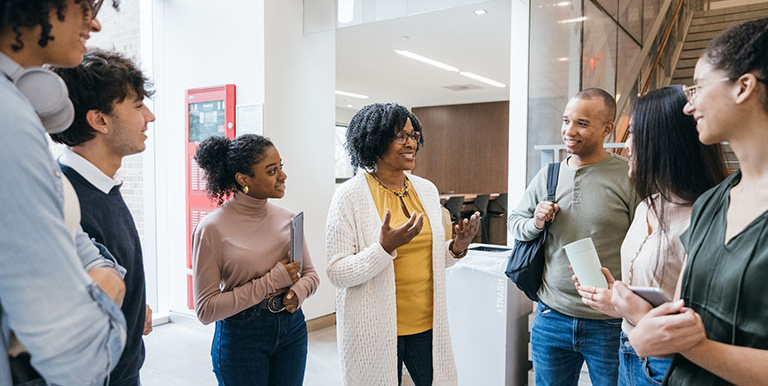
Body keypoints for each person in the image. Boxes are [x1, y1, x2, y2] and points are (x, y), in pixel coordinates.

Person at [625, 0, 768, 385]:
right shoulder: (711, 202)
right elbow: (683, 315)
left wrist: (664, 339)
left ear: (744, 87)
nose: (689, 106)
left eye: (697, 88)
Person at [0, 0, 130, 385]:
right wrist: (104, 302)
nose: (94, 23)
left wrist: (101, 270)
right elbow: (70, 346)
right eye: (86, 3)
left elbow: (66, 235)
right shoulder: (8, 121)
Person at [570, 85, 726, 385]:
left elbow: (704, 328)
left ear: (663, 142)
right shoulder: (647, 206)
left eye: (634, 135)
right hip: (628, 350)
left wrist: (636, 311)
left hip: (669, 365)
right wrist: (616, 295)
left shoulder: (708, 219)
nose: (627, 146)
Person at [325, 103, 480, 386]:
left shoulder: (426, 190)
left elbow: (433, 258)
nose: (411, 143)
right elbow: (337, 272)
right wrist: (383, 249)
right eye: (400, 136)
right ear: (374, 140)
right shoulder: (349, 196)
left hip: (427, 324)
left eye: (414, 134)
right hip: (376, 327)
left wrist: (457, 247)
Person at [508, 88, 638, 386]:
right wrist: (536, 222)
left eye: (582, 123)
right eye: (566, 121)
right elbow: (516, 222)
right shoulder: (548, 175)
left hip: (609, 322)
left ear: (607, 128)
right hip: (551, 316)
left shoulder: (628, 177)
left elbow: (644, 242)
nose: (569, 130)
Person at [49, 48, 156, 386]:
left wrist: (134, 310)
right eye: (138, 106)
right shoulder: (61, 199)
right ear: (100, 120)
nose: (149, 116)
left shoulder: (104, 187)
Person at [192, 134, 319, 386]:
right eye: (272, 171)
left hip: (292, 328)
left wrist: (297, 292)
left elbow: (311, 275)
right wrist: (273, 281)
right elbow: (206, 310)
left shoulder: (288, 218)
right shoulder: (211, 229)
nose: (282, 176)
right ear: (243, 179)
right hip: (242, 335)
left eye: (281, 167)